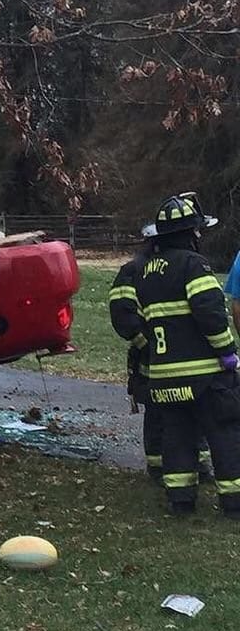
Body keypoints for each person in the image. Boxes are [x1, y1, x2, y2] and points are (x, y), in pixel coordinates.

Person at [130, 193, 240, 516]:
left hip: (164, 376)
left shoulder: (147, 270)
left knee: (177, 436)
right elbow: (211, 313)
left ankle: (181, 501)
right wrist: (227, 353)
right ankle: (234, 503)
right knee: (225, 433)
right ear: (191, 233)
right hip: (204, 376)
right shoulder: (193, 265)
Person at [109, 234, 213, 483]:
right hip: (152, 356)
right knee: (157, 410)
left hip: (175, 353)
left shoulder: (180, 266)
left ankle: (198, 464)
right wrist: (147, 345)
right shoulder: (135, 270)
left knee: (189, 409)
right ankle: (157, 465)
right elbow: (122, 315)